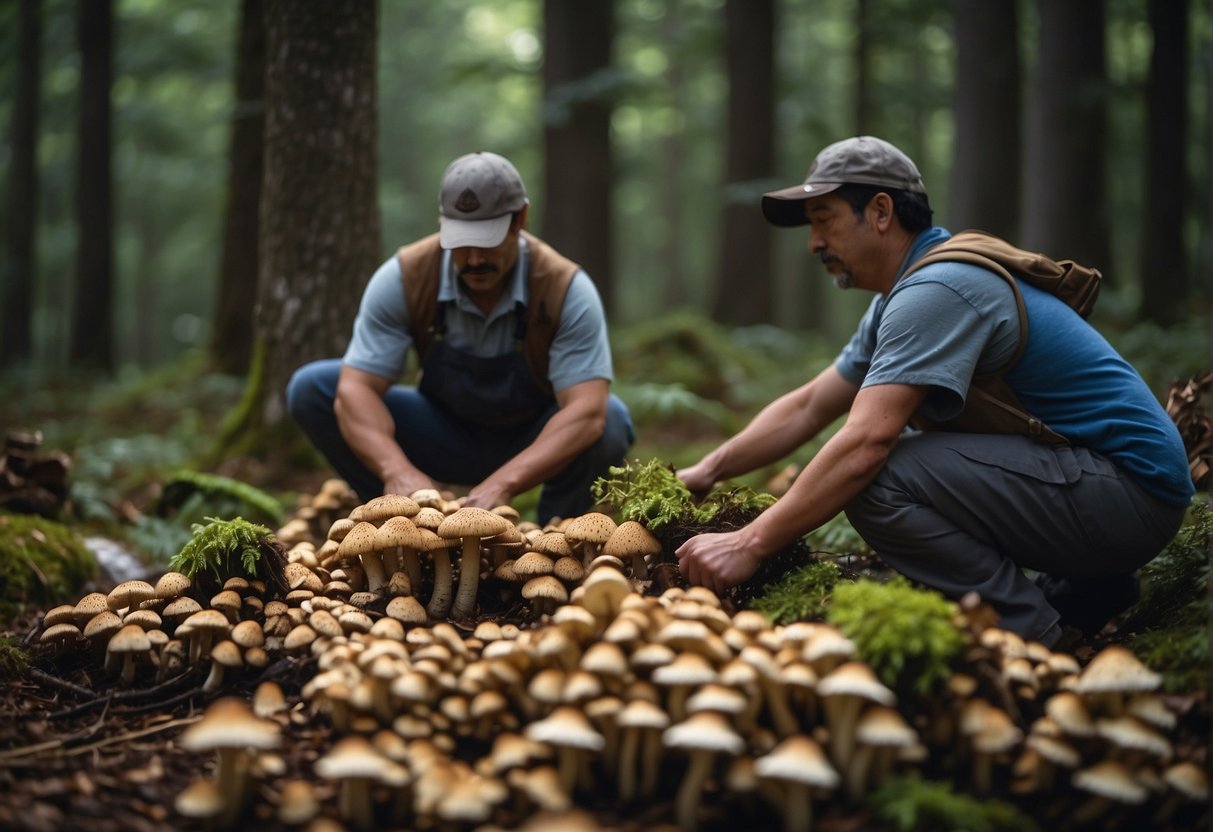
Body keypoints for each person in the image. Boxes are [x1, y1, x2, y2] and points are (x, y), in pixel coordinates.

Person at [675, 136, 1194, 648]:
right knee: (894, 467)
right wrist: (707, 471)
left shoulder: (937, 290)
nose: (814, 243)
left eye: (824, 219)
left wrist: (750, 542)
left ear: (880, 211)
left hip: (1130, 495)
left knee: (881, 481)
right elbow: (810, 405)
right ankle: (1085, 589)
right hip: (1117, 490)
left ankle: (1030, 633)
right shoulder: (907, 293)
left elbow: (864, 446)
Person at [287, 151, 633, 525]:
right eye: (460, 242)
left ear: (520, 220)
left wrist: (502, 484)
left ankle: (555, 541)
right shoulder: (405, 277)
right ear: (442, 223)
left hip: (531, 439)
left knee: (611, 420)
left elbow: (587, 412)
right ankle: (401, 526)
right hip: (441, 432)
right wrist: (396, 470)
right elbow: (356, 389)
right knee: (313, 388)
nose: (471, 260)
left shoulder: (565, 289)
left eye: (486, 242)